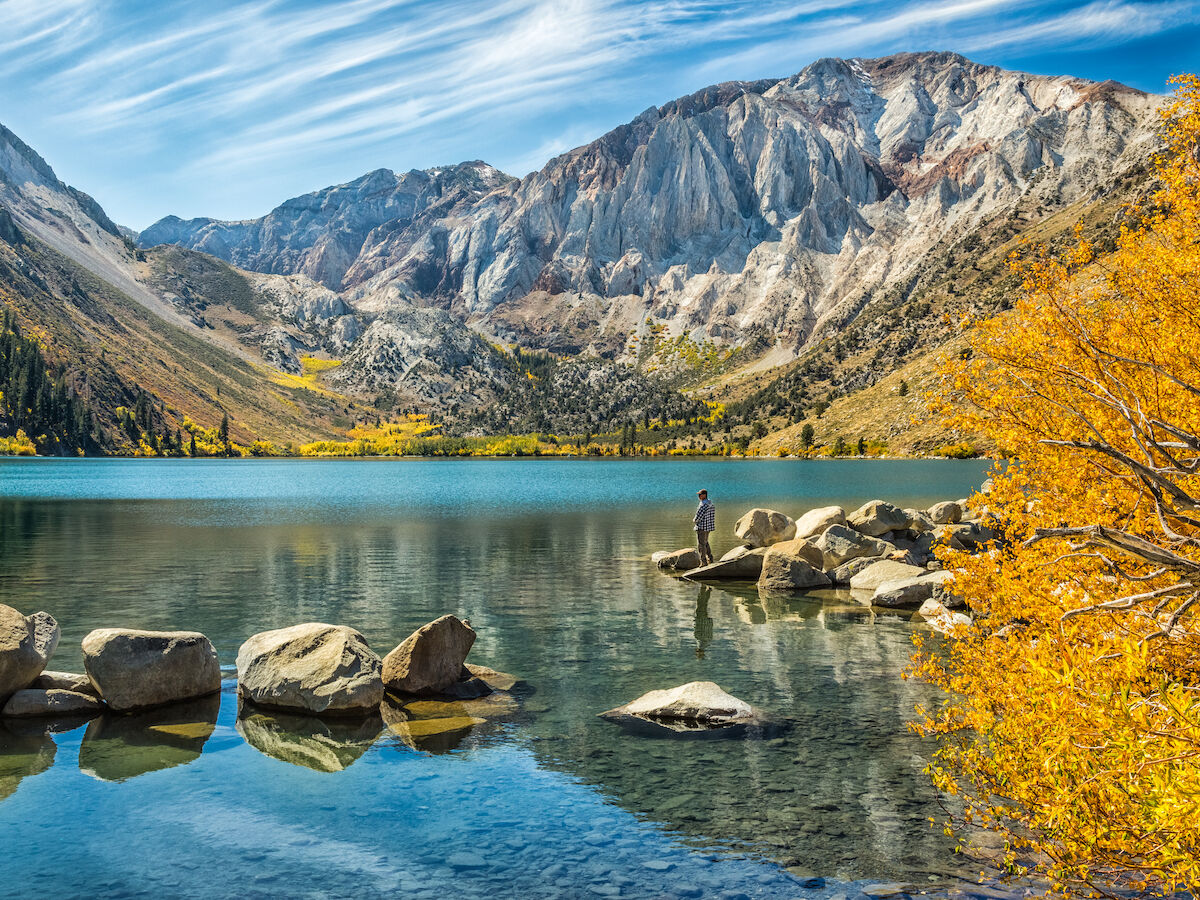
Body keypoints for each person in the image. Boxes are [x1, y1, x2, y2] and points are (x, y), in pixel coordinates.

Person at [693, 489, 715, 565]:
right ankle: (710, 558)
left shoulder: (703, 505)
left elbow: (698, 517)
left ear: (704, 495)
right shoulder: (710, 503)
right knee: (705, 543)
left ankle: (703, 562)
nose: (698, 496)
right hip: (708, 527)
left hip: (702, 527)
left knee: (701, 545)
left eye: (700, 495)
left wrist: (694, 520)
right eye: (698, 495)